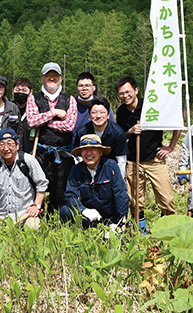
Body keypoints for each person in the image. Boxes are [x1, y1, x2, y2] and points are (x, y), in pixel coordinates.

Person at [115, 76, 180, 230]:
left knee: (166, 198)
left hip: (154, 159)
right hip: (133, 160)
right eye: (121, 94)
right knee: (136, 200)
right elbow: (121, 135)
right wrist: (130, 132)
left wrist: (170, 147)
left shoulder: (150, 106)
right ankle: (140, 231)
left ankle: (168, 229)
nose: (125, 96)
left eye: (128, 92)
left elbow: (175, 122)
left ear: (136, 90)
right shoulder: (121, 111)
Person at [26, 62, 77, 212]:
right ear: (42, 78)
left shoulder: (70, 99)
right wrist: (54, 113)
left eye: (55, 76)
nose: (52, 78)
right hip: (40, 152)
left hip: (63, 153)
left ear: (60, 78)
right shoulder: (33, 99)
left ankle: (56, 219)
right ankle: (37, 215)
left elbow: (69, 126)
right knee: (38, 186)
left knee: (60, 189)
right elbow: (32, 121)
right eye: (48, 76)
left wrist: (45, 122)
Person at [60, 134, 129, 229]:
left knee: (117, 241)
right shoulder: (76, 169)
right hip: (88, 217)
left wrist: (122, 221)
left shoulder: (110, 166)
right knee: (65, 211)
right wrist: (83, 210)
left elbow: (120, 194)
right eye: (85, 150)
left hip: (109, 218)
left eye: (93, 149)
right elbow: (70, 195)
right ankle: (76, 234)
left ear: (101, 152)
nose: (89, 153)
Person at [0, 129, 48, 229]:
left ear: (17, 146)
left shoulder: (28, 160)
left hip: (25, 214)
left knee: (34, 227)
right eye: (2, 144)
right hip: (1, 215)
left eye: (10, 144)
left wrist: (36, 206)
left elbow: (42, 184)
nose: (6, 148)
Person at [74, 98, 129, 177]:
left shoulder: (118, 133)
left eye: (102, 112)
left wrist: (118, 181)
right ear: (89, 115)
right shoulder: (82, 132)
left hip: (111, 170)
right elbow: (80, 157)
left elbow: (121, 161)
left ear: (108, 115)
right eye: (94, 113)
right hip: (89, 170)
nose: (98, 116)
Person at [12, 77, 33, 153]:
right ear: (12, 91)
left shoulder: (34, 111)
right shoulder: (7, 109)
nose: (20, 92)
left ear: (30, 92)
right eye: (17, 90)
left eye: (24, 90)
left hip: (30, 152)